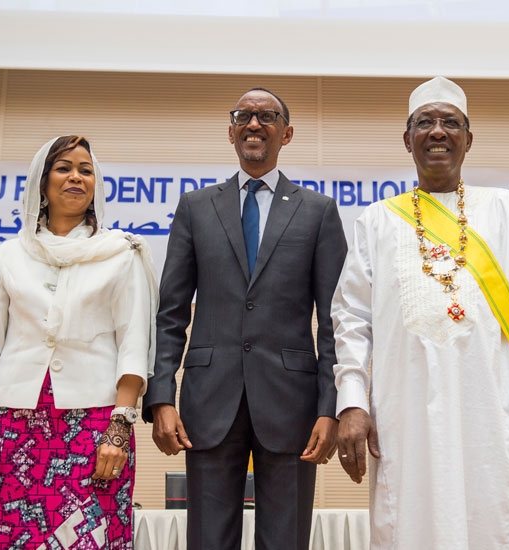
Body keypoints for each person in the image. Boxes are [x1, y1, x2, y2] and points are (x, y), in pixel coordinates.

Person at [331, 77, 509, 549]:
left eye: (450, 122)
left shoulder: (505, 210)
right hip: (404, 417)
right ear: (407, 139)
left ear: (468, 139)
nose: (437, 131)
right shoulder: (376, 220)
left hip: (490, 412)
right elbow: (352, 319)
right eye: (425, 123)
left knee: (498, 523)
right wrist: (352, 401)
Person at [142, 88, 348, 550]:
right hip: (208, 403)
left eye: (267, 117)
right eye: (244, 116)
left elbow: (335, 319)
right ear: (231, 131)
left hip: (292, 407)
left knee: (285, 542)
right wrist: (161, 398)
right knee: (209, 541)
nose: (255, 124)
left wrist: (328, 406)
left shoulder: (318, 212)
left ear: (287, 133)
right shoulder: (196, 208)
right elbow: (171, 313)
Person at [0, 135, 158, 549]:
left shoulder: (121, 252)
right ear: (42, 182)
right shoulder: (10, 255)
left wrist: (120, 426)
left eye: (86, 170)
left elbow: (134, 344)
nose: (76, 177)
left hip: (95, 428)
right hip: (9, 428)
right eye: (64, 167)